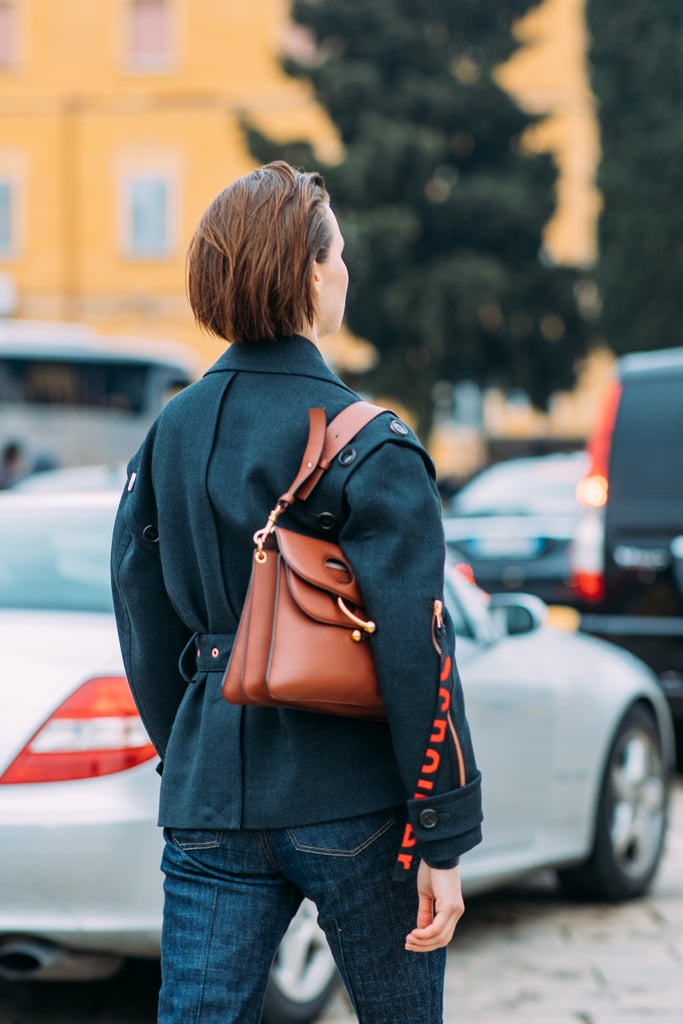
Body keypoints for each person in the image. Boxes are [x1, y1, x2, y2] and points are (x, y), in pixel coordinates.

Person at [110, 160, 482, 1024]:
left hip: (210, 796)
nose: (344, 270)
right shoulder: (375, 441)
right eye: (338, 254)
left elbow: (138, 607)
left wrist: (192, 746)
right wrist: (444, 833)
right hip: (352, 794)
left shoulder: (169, 431)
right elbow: (416, 646)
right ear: (311, 273)